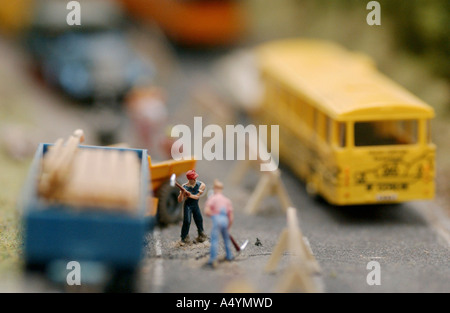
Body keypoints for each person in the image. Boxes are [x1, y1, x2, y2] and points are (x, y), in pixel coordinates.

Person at [204, 179, 234, 268]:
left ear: (215, 189)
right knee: (226, 239)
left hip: (217, 218)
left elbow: (206, 211)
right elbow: (231, 216)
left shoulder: (212, 198)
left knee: (214, 240)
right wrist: (229, 226)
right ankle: (229, 256)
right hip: (225, 219)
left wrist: (213, 215)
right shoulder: (226, 200)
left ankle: (213, 259)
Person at [178, 170, 207, 244]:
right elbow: (180, 200)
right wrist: (182, 193)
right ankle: (184, 238)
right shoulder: (184, 187)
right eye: (192, 178)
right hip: (188, 205)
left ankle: (201, 235)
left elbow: (197, 197)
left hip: (195, 205)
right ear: (189, 179)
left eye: (195, 177)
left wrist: (189, 195)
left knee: (199, 219)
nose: (194, 179)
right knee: (187, 221)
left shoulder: (201, 184)